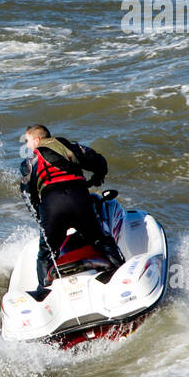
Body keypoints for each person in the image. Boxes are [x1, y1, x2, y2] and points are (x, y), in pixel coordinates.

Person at [18, 124, 126, 290]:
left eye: (28, 141)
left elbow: (28, 196)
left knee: (47, 253)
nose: (27, 146)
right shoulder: (71, 147)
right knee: (101, 239)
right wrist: (98, 178)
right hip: (79, 200)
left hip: (52, 206)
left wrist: (41, 218)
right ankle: (123, 274)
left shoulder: (29, 162)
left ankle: (45, 292)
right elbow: (98, 161)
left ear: (38, 140)